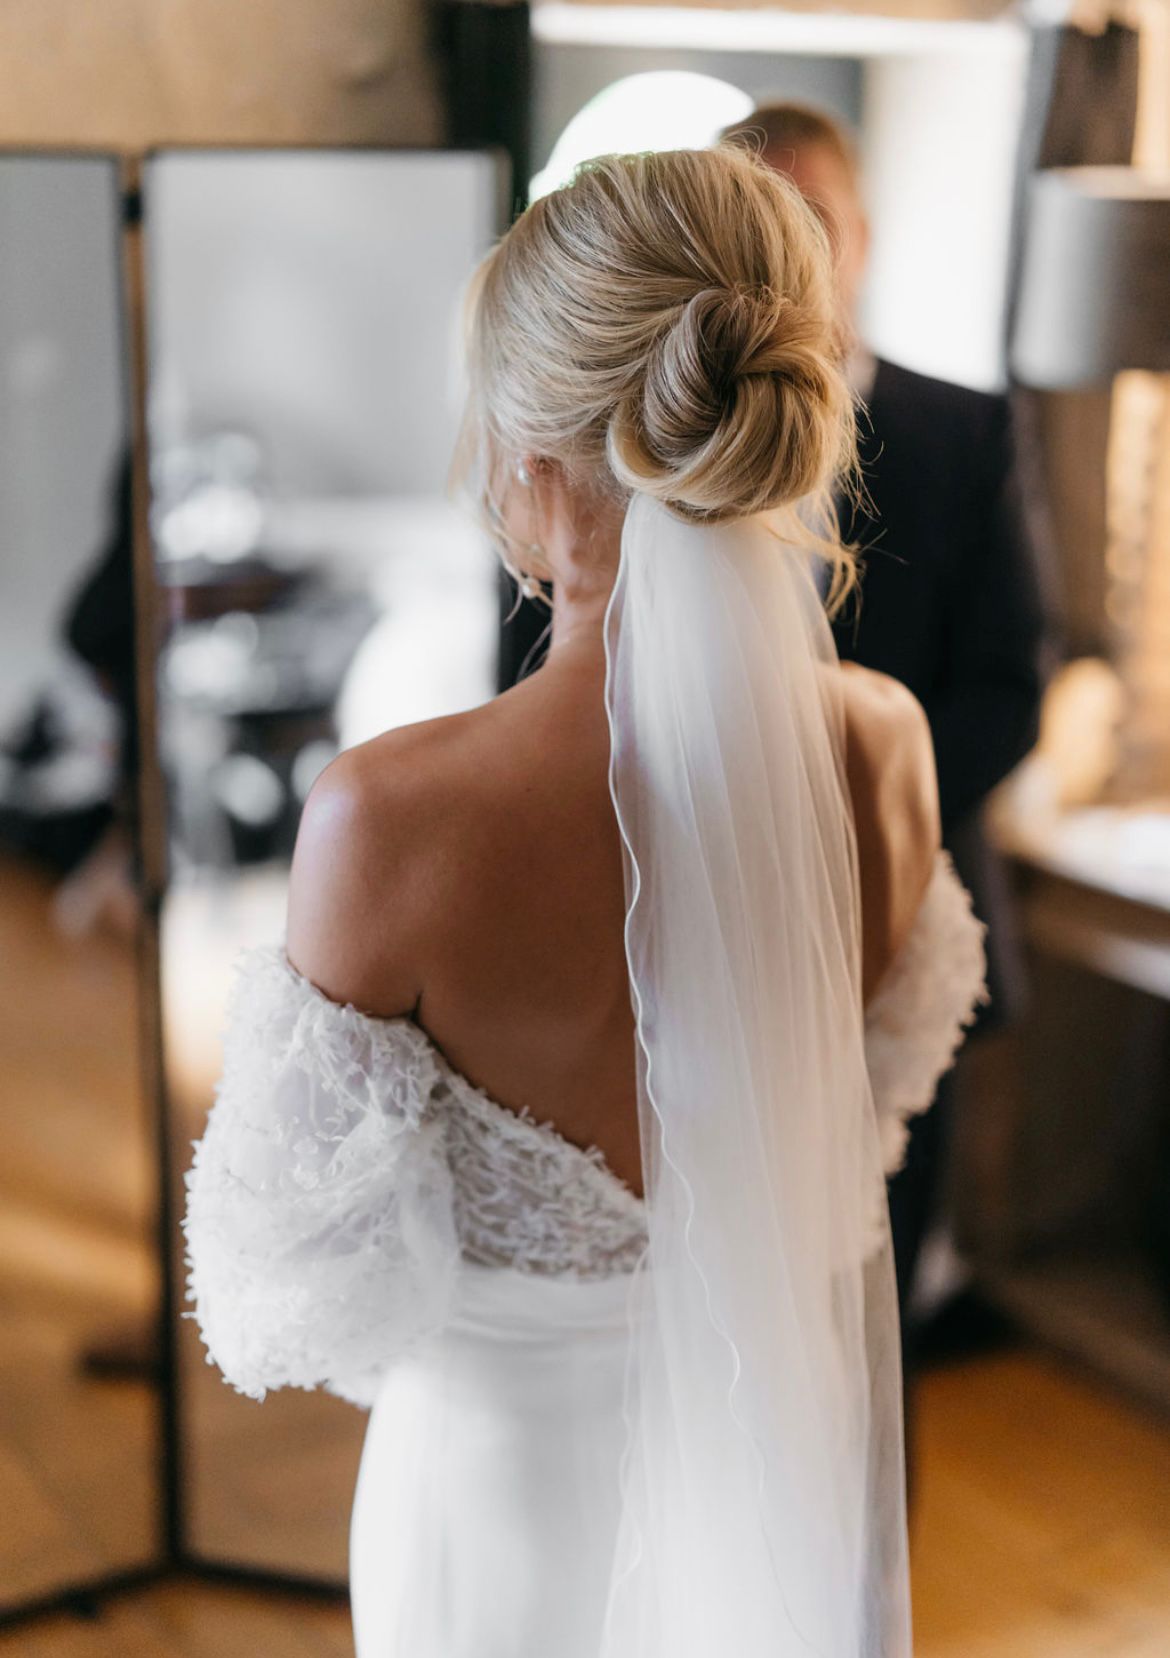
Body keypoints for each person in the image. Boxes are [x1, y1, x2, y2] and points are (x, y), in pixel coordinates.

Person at [184, 147, 986, 1657]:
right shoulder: (885, 749)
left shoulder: (387, 821)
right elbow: (853, 1120)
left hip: (496, 1508)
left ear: (534, 470)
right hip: (778, 1469)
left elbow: (300, 1292)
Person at [721, 102, 1048, 1344]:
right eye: (765, 227)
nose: (797, 258)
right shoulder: (661, 434)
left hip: (901, 922)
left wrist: (853, 832)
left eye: (818, 225)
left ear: (862, 235)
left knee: (874, 1310)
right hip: (714, 933)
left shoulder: (964, 432)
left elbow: (1009, 684)